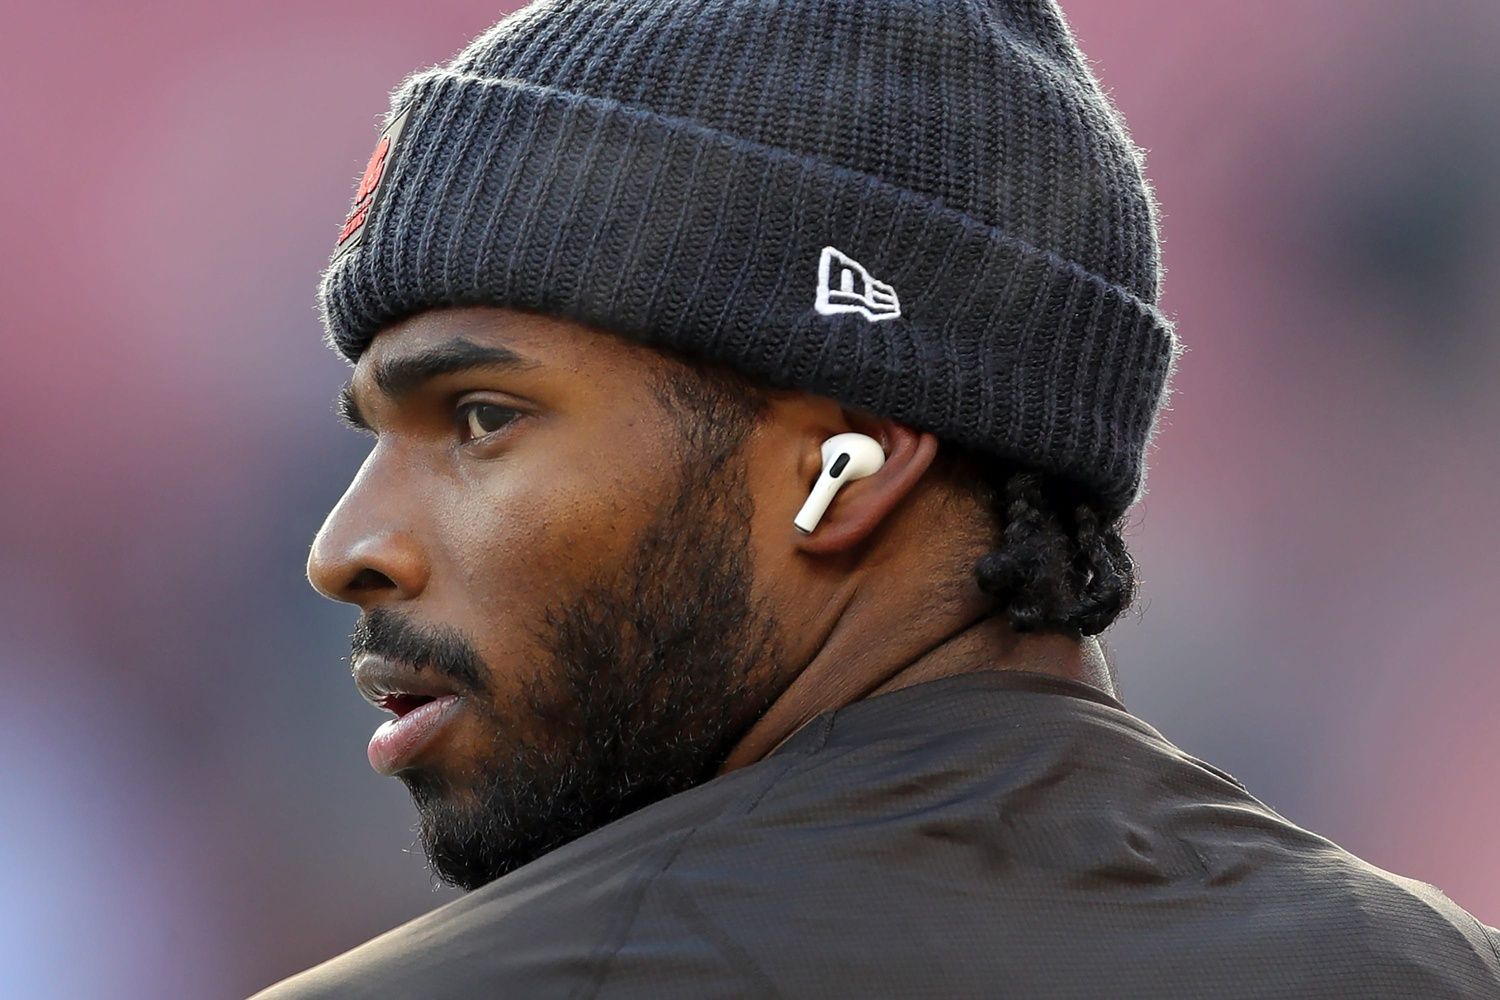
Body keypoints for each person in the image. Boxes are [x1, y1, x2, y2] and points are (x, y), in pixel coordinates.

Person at [253, 0, 1500, 996]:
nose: (347, 548)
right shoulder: (1438, 970)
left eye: (482, 418)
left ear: (839, 465)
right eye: (375, 433)